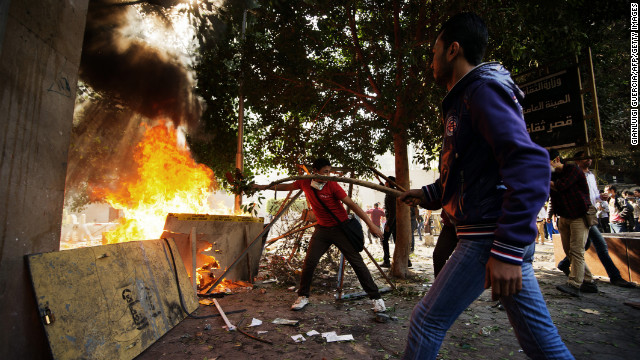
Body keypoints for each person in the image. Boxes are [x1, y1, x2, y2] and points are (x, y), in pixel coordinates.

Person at [398, 13, 573, 359]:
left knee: (425, 322)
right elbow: (470, 171)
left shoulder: (482, 91)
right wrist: (429, 193)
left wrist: (506, 248)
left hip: (487, 237)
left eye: (434, 52)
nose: (430, 61)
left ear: (453, 50)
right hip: (490, 233)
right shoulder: (465, 99)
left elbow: (531, 165)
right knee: (541, 345)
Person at [253, 158, 386, 312]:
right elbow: (286, 186)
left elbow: (353, 206)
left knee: (357, 263)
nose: (328, 175)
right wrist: (264, 187)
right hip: (322, 230)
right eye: (325, 172)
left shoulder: (332, 185)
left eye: (329, 171)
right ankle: (303, 296)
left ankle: (376, 299)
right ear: (315, 171)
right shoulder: (305, 182)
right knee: (309, 262)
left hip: (340, 229)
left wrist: (372, 226)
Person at [556, 151, 634, 288]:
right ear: (577, 161)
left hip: (589, 214)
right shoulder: (573, 173)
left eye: (589, 157)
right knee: (592, 246)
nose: (588, 160)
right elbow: (562, 190)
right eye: (584, 158)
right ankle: (606, 278)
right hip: (581, 214)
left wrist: (600, 198)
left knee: (583, 247)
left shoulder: (590, 175)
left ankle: (573, 271)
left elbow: (590, 194)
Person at [547, 149, 596, 297]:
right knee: (570, 252)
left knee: (577, 250)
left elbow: (562, 186)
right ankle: (589, 281)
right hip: (564, 217)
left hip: (579, 216)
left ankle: (574, 284)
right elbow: (552, 195)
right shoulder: (552, 176)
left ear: (556, 159)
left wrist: (546, 181)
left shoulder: (572, 169)